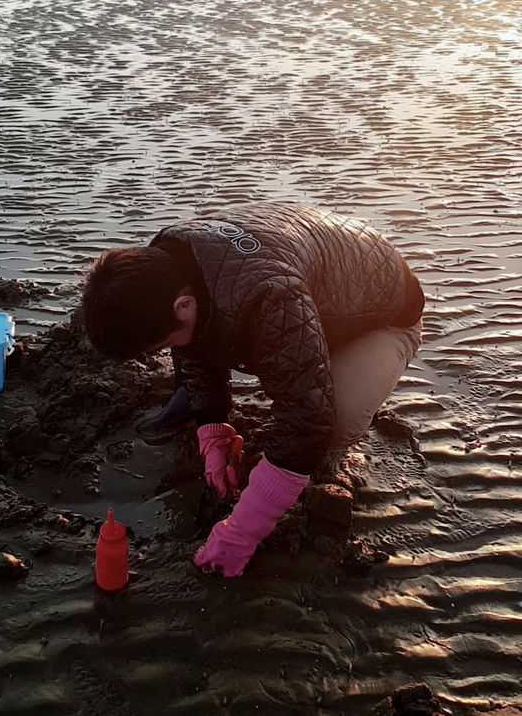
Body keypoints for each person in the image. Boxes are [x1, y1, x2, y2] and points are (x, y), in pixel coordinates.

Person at [81, 203, 424, 577]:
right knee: (255, 352)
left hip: (383, 314)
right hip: (316, 283)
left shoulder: (269, 297)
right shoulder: (166, 265)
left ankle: (339, 429)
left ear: (183, 304)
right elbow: (194, 347)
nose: (167, 352)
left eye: (160, 346)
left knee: (333, 419)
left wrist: (242, 531)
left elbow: (306, 419)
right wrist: (213, 431)